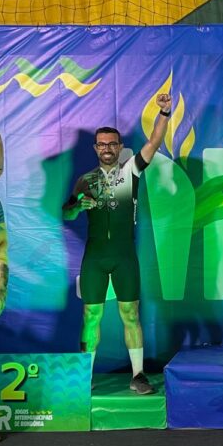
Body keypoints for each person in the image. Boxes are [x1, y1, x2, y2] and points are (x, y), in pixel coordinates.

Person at [63, 93, 172, 394]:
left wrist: (164, 113)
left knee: (130, 314)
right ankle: (85, 376)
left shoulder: (131, 170)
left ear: (120, 147)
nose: (107, 148)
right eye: (102, 144)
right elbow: (67, 213)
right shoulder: (85, 180)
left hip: (124, 256)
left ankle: (138, 375)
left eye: (112, 144)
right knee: (91, 316)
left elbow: (154, 142)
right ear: (95, 148)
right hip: (95, 257)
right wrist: (78, 206)